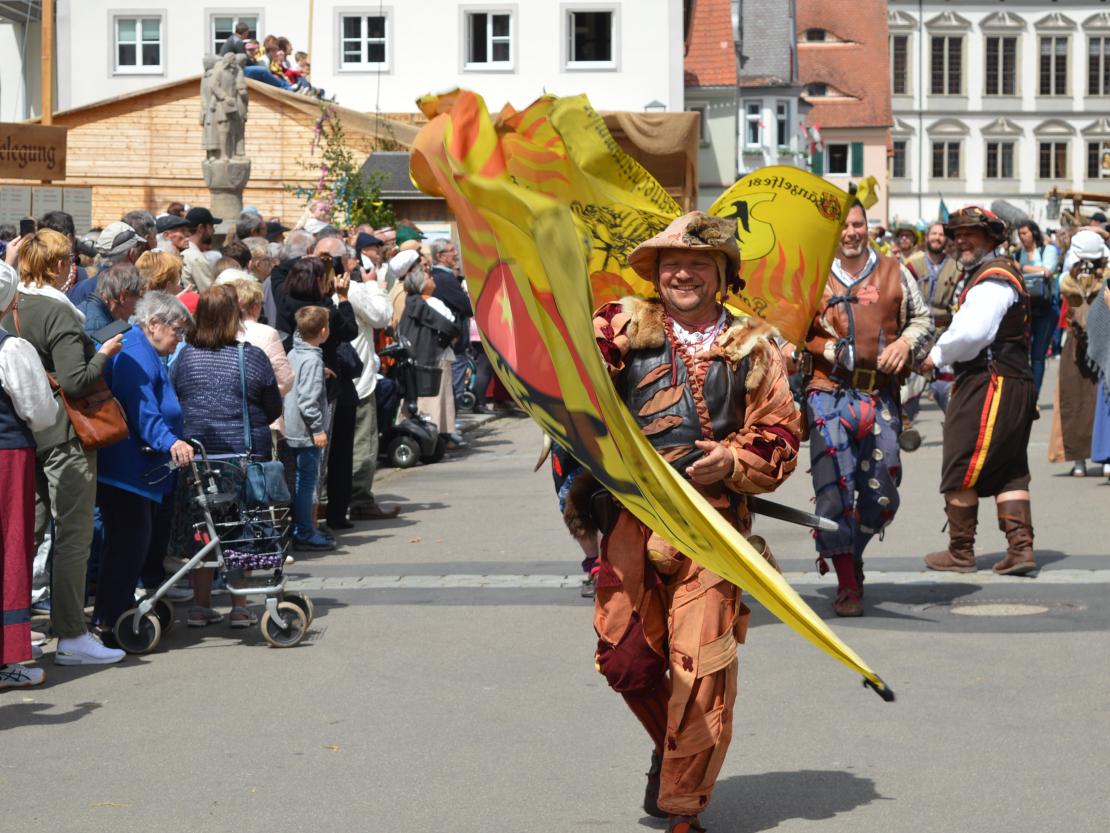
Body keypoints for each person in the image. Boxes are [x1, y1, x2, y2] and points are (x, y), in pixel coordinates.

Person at [574, 212, 801, 831]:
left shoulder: (755, 345)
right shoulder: (619, 324)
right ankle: (673, 749)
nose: (682, 274)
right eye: (671, 264)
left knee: (700, 669)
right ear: (655, 275)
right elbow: (574, 384)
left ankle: (682, 810)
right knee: (625, 662)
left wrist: (733, 460)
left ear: (722, 275)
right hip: (630, 522)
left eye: (698, 264)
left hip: (713, 530)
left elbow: (781, 431)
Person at [800, 200, 933, 616]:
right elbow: (790, 329)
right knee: (835, 487)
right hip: (827, 391)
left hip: (879, 393)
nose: (850, 232)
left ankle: (852, 551)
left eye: (857, 224)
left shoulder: (896, 271)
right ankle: (846, 582)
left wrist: (905, 343)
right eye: (843, 226)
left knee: (882, 492)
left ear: (867, 226)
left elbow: (923, 320)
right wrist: (822, 348)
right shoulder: (813, 275)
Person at [1, 229, 127, 665]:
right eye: (69, 259)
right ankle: (72, 633)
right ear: (58, 265)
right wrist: (104, 352)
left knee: (24, 536)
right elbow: (75, 381)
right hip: (64, 433)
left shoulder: (12, 304)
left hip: (23, 435)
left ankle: (15, 633)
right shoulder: (58, 311)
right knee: (73, 534)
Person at [921, 207, 1037, 577]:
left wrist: (935, 356)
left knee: (959, 462)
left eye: (970, 233)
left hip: (990, 381)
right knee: (1010, 467)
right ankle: (1020, 548)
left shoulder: (992, 279)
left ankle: (961, 551)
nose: (961, 241)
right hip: (1010, 380)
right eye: (957, 235)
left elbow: (973, 332)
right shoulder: (991, 274)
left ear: (990, 238)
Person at [171, 286, 282, 626]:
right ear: (234, 317)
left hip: (198, 459)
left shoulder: (185, 358)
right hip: (244, 456)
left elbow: (174, 399)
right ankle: (240, 606)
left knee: (202, 530)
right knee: (242, 528)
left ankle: (200, 606)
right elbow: (273, 406)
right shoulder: (251, 357)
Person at [93, 292, 194, 637]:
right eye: (177, 330)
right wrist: (171, 441)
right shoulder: (134, 351)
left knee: (131, 544)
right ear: (154, 324)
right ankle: (110, 621)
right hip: (126, 469)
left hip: (138, 468)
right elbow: (141, 409)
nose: (179, 338)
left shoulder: (142, 348)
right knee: (129, 544)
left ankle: (116, 613)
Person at [0, 261, 58, 689]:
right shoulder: (10, 348)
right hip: (6, 455)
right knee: (9, 547)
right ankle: (6, 659)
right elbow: (39, 411)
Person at [278, 255, 359, 529]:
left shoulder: (284, 302)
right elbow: (350, 331)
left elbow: (277, 273)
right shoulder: (324, 311)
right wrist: (343, 298)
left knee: (294, 462)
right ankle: (309, 526)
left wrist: (299, 259)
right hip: (323, 388)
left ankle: (299, 522)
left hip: (290, 385)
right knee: (316, 462)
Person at [336, 236, 397, 520]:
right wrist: (375, 285)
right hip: (356, 378)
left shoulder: (310, 285)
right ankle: (360, 499)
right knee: (362, 440)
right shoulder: (354, 289)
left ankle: (328, 499)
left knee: (335, 443)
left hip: (332, 375)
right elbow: (381, 316)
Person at [1053, 230, 1105, 476]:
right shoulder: (1073, 279)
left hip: (1088, 343)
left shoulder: (1070, 278)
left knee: (1084, 399)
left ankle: (1084, 460)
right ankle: (1088, 459)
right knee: (1084, 399)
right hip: (1088, 343)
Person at [397, 259, 464, 449]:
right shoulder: (432, 303)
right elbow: (450, 325)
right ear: (422, 284)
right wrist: (451, 336)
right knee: (437, 399)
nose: (433, 279)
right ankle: (438, 437)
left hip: (417, 356)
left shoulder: (411, 303)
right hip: (436, 356)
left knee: (422, 398)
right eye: (429, 278)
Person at [283, 306, 334, 550]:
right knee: (306, 482)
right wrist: (317, 429)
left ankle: (301, 528)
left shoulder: (295, 352)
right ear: (323, 331)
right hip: (305, 431)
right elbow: (307, 400)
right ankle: (304, 531)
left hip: (291, 425)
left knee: (298, 480)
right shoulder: (312, 359)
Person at [903, 221, 960, 419]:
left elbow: (959, 303)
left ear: (946, 239)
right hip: (915, 334)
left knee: (947, 388)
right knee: (908, 389)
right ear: (927, 237)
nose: (937, 237)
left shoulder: (956, 268)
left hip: (944, 334)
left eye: (941, 234)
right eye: (934, 233)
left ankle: (954, 427)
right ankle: (904, 426)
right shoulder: (912, 265)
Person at [1016, 220, 1059, 398]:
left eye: (1025, 233)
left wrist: (1022, 268)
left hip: (1046, 307)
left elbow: (1047, 271)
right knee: (1021, 354)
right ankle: (1023, 393)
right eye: (1020, 234)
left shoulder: (1047, 250)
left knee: (1038, 355)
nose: (1022, 237)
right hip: (1026, 308)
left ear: (1034, 233)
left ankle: (1033, 397)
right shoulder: (1019, 253)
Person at [229, 278, 292, 397]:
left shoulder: (217, 331)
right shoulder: (267, 333)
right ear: (255, 307)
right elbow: (284, 380)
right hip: (256, 403)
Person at [77, 262, 144, 337]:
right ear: (123, 298)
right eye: (139, 297)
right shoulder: (100, 329)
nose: (140, 302)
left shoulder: (89, 308)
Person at [181, 207, 221, 293]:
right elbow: (211, 293)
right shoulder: (196, 257)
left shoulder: (184, 250)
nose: (213, 231)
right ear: (201, 228)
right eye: (211, 226)